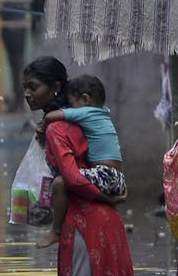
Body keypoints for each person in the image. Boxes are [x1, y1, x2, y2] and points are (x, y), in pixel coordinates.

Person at [22, 56, 136, 276]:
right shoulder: (83, 117)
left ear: (55, 87)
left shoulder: (57, 128)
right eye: (25, 88)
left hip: (84, 225)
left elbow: (71, 179)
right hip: (108, 222)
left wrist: (106, 197)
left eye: (33, 87)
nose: (27, 94)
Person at [35, 74, 126, 248]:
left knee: (60, 183)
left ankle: (55, 231)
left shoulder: (86, 112)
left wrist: (42, 129)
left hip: (104, 174)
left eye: (72, 104)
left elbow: (51, 116)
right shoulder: (103, 113)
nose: (71, 110)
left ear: (85, 99)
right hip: (117, 178)